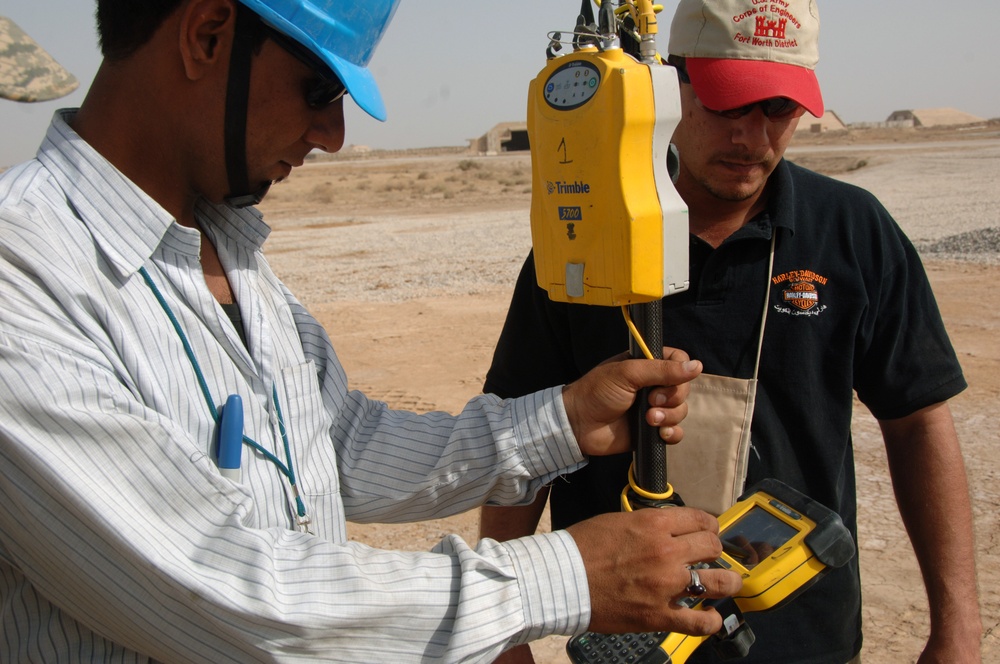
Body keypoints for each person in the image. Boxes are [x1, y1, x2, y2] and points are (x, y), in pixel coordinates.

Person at [0, 0, 746, 661]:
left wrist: (558, 422)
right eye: (320, 89)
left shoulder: (230, 252)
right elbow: (222, 590)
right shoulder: (24, 280)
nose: (333, 132)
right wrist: (561, 578)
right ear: (206, 33)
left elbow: (336, 444)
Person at [479, 1, 983, 663]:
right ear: (671, 87)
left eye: (778, 110)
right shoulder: (582, 242)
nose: (752, 136)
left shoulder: (853, 233)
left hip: (803, 638)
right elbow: (518, 438)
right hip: (628, 640)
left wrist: (958, 627)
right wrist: (502, 630)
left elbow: (919, 420)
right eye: (727, 104)